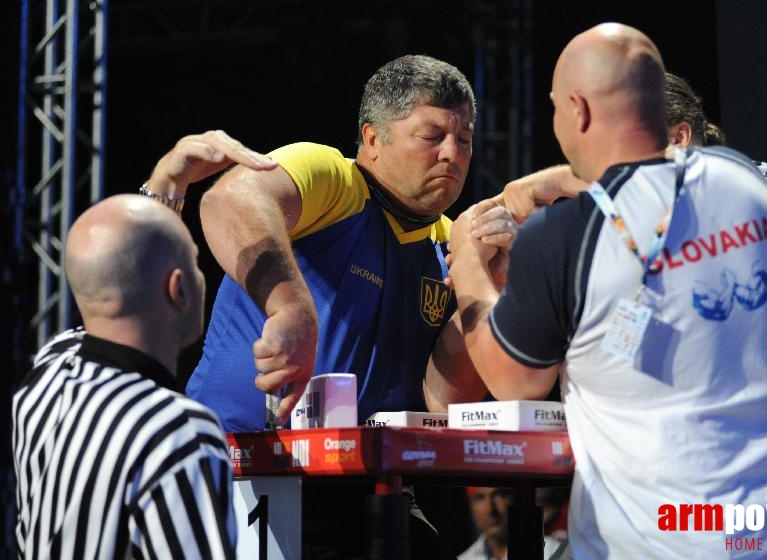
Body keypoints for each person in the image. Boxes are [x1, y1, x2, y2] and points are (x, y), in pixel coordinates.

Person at [447, 23, 767, 558]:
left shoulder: (565, 236)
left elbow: (512, 380)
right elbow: (655, 326)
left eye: (557, 107)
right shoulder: (758, 191)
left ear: (578, 110)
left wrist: (467, 257)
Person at [186, 55, 514, 559]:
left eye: (465, 140)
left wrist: (487, 291)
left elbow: (445, 404)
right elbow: (228, 200)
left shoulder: (452, 247)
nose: (453, 154)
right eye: (432, 136)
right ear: (373, 139)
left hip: (368, 483)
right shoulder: (334, 181)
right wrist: (290, 306)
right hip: (247, 470)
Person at [12, 131, 276, 558]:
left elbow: (118, 278)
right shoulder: (179, 432)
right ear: (178, 288)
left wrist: (167, 183)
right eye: (193, 260)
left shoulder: (45, 377)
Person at [498, 70, 767, 362]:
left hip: (757, 417)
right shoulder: (628, 225)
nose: (614, 168)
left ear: (678, 138)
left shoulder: (764, 185)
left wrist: (558, 181)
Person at [458, 487, 565, 560]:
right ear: (470, 507)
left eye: (499, 495)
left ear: (515, 499)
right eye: (480, 498)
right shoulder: (464, 558)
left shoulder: (552, 551)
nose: (490, 510)